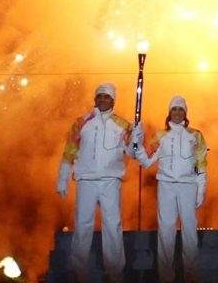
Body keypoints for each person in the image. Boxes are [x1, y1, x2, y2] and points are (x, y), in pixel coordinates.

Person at [56, 83, 135, 282]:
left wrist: (136, 138)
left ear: (113, 100)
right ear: (95, 99)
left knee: (113, 225)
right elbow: (70, 150)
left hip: (110, 180)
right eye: (99, 96)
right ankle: (78, 271)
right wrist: (63, 178)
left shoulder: (123, 125)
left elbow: (132, 152)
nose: (102, 100)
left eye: (106, 97)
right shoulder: (82, 122)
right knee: (83, 224)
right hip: (86, 179)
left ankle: (115, 272)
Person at [132, 96, 207, 283]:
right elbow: (146, 161)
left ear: (185, 113)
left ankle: (191, 278)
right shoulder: (160, 136)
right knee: (166, 233)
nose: (177, 113)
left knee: (190, 233)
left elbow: (201, 163)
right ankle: (166, 278)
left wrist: (201, 188)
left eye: (181, 109)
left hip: (188, 186)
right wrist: (137, 144)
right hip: (166, 186)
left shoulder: (195, 135)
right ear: (169, 113)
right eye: (174, 109)